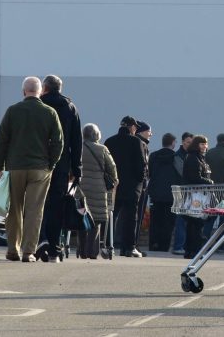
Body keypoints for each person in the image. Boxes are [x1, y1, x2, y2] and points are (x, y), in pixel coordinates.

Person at [0, 76, 64, 262]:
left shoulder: (12, 111)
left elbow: (2, 140)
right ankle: (28, 251)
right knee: (35, 210)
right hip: (40, 168)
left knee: (14, 209)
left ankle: (12, 249)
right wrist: (51, 163)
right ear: (40, 91)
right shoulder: (49, 113)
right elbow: (58, 142)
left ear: (24, 91)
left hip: (15, 166)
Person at [38, 75, 83, 263]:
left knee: (37, 202)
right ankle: (55, 248)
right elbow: (76, 140)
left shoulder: (39, 105)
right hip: (62, 164)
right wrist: (76, 167)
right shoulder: (70, 107)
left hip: (38, 162)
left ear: (45, 88)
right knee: (56, 205)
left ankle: (40, 240)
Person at [104, 116, 148, 257]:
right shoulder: (136, 142)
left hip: (113, 185)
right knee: (131, 217)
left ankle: (108, 244)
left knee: (112, 214)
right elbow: (141, 165)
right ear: (131, 127)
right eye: (135, 127)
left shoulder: (109, 141)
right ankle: (128, 248)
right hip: (132, 186)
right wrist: (140, 181)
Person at [79, 123, 119, 259]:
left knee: (81, 219)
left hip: (80, 188)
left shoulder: (78, 148)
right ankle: (92, 252)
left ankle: (82, 251)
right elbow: (111, 167)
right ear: (96, 135)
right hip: (98, 188)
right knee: (95, 221)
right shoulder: (102, 149)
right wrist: (114, 180)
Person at [148, 132, 179, 252]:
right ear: (172, 143)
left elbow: (149, 172)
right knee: (168, 222)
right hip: (171, 194)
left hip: (155, 193)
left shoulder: (154, 156)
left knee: (155, 221)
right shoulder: (176, 157)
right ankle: (164, 246)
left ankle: (153, 244)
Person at [182, 134, 213, 259]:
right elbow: (195, 177)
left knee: (195, 223)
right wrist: (210, 182)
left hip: (199, 195)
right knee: (195, 223)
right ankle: (193, 251)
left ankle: (192, 250)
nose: (205, 146)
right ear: (196, 145)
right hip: (194, 195)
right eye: (202, 143)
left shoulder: (200, 158)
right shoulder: (193, 158)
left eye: (206, 143)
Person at [171, 132, 194, 255]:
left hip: (189, 191)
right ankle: (178, 246)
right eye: (188, 142)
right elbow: (183, 173)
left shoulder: (191, 155)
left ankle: (184, 245)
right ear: (183, 142)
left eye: (191, 142)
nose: (189, 145)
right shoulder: (178, 156)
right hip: (181, 191)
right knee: (181, 219)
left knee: (188, 220)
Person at [133, 120, 152, 255]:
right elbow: (143, 167)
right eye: (149, 131)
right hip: (139, 186)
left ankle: (132, 243)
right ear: (141, 132)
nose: (151, 134)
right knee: (136, 216)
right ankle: (133, 244)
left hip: (133, 185)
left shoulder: (137, 142)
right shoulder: (141, 144)